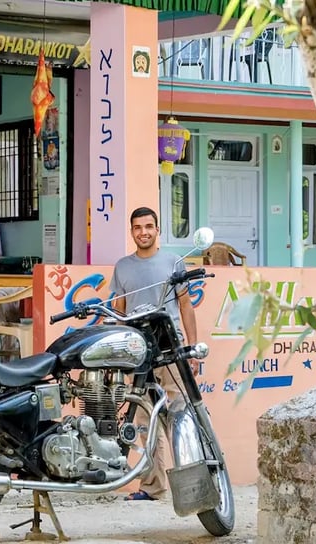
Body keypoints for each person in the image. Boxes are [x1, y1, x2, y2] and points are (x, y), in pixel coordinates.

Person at [109, 206, 199, 501]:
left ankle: (195, 485)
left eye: (149, 226)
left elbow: (186, 306)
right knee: (145, 424)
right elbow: (120, 311)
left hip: (170, 351)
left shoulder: (173, 262)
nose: (143, 232)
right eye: (138, 227)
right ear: (132, 231)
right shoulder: (122, 266)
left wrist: (191, 350)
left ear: (157, 229)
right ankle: (153, 486)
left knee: (179, 419)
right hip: (138, 353)